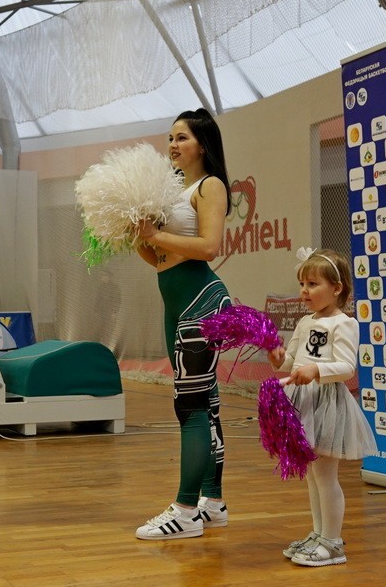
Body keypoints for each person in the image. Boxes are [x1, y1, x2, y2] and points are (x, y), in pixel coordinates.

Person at [133, 108, 232, 540]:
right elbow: (159, 259)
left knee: (189, 408)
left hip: (200, 302)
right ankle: (213, 502)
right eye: (171, 137)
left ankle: (186, 511)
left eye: (182, 138)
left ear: (202, 145)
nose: (173, 145)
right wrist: (138, 236)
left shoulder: (210, 186)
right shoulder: (171, 190)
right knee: (206, 404)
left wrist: (155, 236)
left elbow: (209, 247)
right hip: (174, 304)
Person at [267, 248, 377, 566]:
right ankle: (319, 533)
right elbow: (291, 362)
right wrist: (279, 359)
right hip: (304, 402)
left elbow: (346, 367)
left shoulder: (344, 324)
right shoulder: (305, 322)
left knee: (326, 476)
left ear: (337, 288)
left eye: (313, 284)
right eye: (302, 284)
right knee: (313, 475)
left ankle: (333, 543)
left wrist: (316, 370)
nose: (304, 291)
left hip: (328, 405)